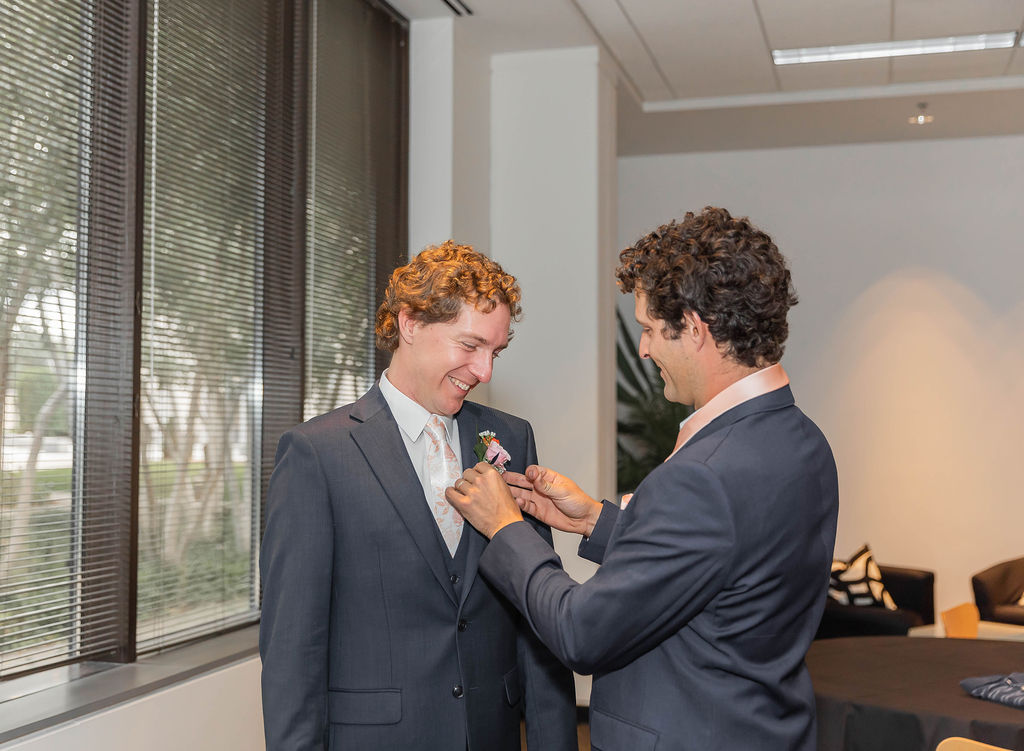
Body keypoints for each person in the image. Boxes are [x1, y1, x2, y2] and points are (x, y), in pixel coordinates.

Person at [447, 207, 840, 751]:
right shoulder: (802, 440)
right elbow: (721, 563)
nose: (644, 349)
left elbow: (581, 633)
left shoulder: (702, 476)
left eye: (651, 329)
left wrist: (505, 528)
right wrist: (600, 523)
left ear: (696, 330)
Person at [259, 241, 577, 750]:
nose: (485, 371)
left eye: (496, 352)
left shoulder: (510, 440)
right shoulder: (318, 454)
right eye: (470, 346)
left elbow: (534, 620)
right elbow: (292, 648)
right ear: (410, 324)